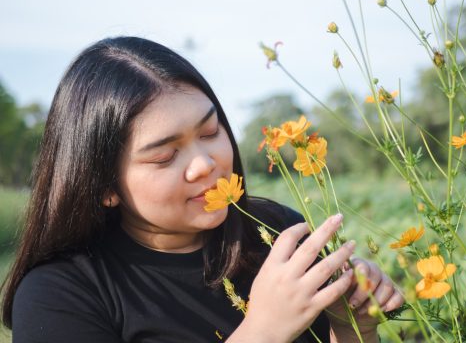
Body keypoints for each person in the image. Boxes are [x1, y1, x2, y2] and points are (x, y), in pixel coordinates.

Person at [0, 36, 403, 343]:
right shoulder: (59, 293)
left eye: (210, 132)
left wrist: (353, 325)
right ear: (104, 184)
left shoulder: (276, 231)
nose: (205, 164)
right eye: (164, 156)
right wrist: (261, 332)